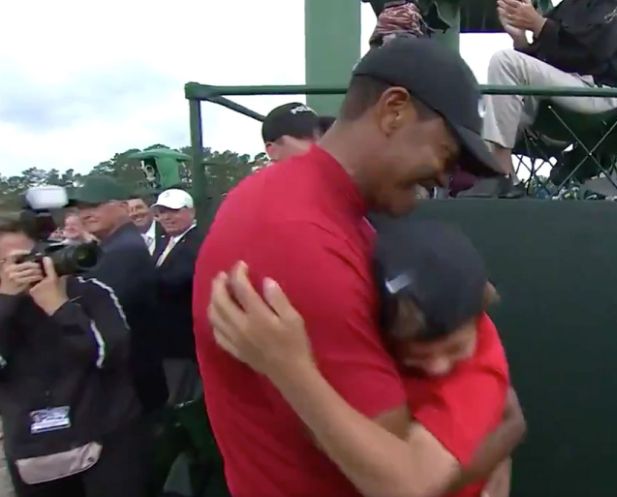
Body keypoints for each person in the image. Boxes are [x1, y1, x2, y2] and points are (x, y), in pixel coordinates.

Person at [192, 37, 505, 497]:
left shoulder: (326, 208)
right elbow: (407, 478)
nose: (445, 175)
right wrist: (494, 412)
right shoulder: (299, 236)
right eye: (447, 151)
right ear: (394, 110)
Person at [208, 219, 526, 497]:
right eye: (417, 355)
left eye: (455, 348)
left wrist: (289, 369)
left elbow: (410, 487)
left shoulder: (478, 372)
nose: (438, 366)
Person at [0, 217, 146, 497]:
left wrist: (59, 306)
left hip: (106, 439)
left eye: (29, 257)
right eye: (13, 262)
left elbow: (111, 355)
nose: (25, 269)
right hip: (35, 451)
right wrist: (6, 302)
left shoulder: (89, 293)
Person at [476, 0, 617, 197]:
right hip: (561, 94)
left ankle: (500, 173)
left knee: (504, 61)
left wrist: (538, 24)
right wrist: (520, 40)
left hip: (600, 94)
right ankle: (485, 172)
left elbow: (595, 50)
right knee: (491, 103)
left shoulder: (613, 2)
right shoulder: (563, 9)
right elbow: (538, 64)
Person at [70, 176, 167, 414]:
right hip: (130, 378)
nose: (86, 214)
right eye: (81, 208)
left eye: (95, 205)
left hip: (130, 381)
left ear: (124, 207)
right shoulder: (113, 247)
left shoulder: (124, 251)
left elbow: (97, 315)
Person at [152, 189, 202, 405]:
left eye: (173, 211)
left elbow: (177, 281)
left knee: (181, 400)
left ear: (190, 211)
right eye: (162, 212)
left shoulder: (197, 242)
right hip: (164, 341)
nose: (167, 217)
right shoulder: (164, 242)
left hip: (183, 342)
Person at [261, 102, 334, 163]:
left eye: (321, 136)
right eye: (307, 137)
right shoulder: (261, 180)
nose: (320, 145)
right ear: (273, 150)